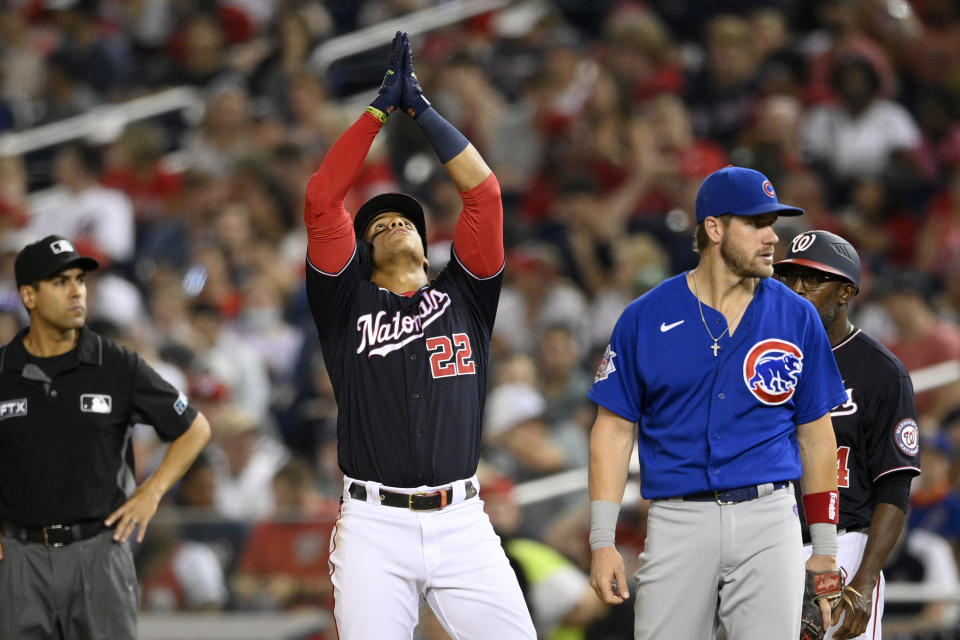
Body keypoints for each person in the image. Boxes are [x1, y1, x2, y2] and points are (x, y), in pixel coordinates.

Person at [301, 32, 535, 639]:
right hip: (374, 525)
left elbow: (482, 193)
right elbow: (324, 198)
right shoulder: (345, 301)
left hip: (463, 519)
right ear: (362, 251)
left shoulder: (467, 295)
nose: (396, 221)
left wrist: (423, 111)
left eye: (405, 217)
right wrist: (379, 111)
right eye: (379, 223)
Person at [587, 166, 848, 639]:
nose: (772, 238)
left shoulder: (796, 316)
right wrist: (602, 540)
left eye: (774, 225)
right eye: (756, 224)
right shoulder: (645, 316)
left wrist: (825, 547)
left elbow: (816, 435)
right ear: (714, 228)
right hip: (678, 518)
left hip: (769, 516)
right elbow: (612, 428)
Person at [0, 235, 211, 639]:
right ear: (28, 295)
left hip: (97, 550)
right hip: (20, 555)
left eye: (79, 279)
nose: (76, 291)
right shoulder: (3, 370)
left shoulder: (117, 364)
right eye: (60, 282)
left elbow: (195, 428)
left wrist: (152, 492)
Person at [775, 229, 922, 640]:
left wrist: (865, 579)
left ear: (845, 292)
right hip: (768, 542)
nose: (799, 289)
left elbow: (894, 486)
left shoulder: (881, 371)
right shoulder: (766, 360)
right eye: (791, 278)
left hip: (844, 546)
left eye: (814, 279)